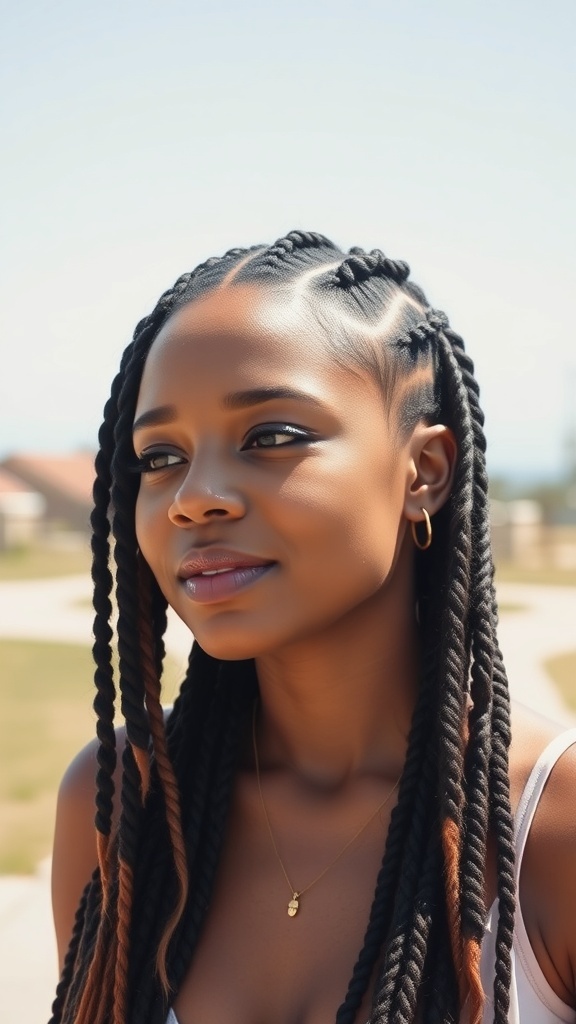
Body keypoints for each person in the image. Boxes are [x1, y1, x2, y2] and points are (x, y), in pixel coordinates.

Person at [50, 231, 576, 1024]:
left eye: (271, 437)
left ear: (423, 472)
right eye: (159, 456)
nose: (195, 497)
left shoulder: (553, 826)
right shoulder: (118, 802)